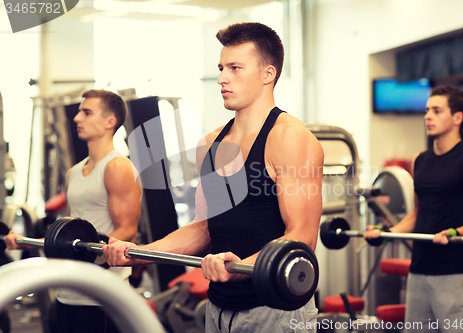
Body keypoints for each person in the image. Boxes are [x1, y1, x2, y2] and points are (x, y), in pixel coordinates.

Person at [103, 22, 323, 332]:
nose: (222, 78)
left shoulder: (289, 138)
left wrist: (240, 268)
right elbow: (205, 228)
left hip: (274, 309)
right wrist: (142, 254)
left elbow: (301, 237)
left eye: (235, 68)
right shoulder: (211, 144)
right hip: (218, 307)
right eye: (221, 68)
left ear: (267, 74)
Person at [5, 89, 142, 333]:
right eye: (79, 112)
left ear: (110, 121)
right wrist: (28, 242)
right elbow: (67, 236)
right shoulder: (74, 172)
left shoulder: (118, 167)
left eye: (86, 112)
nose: (77, 118)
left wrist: (97, 248)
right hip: (68, 289)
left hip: (101, 293)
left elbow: (127, 232)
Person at [365, 85, 463, 333]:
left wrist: (456, 232)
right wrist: (387, 233)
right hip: (419, 271)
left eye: (436, 111)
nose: (427, 116)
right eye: (427, 110)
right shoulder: (420, 161)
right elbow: (418, 213)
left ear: (457, 117)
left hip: (455, 274)